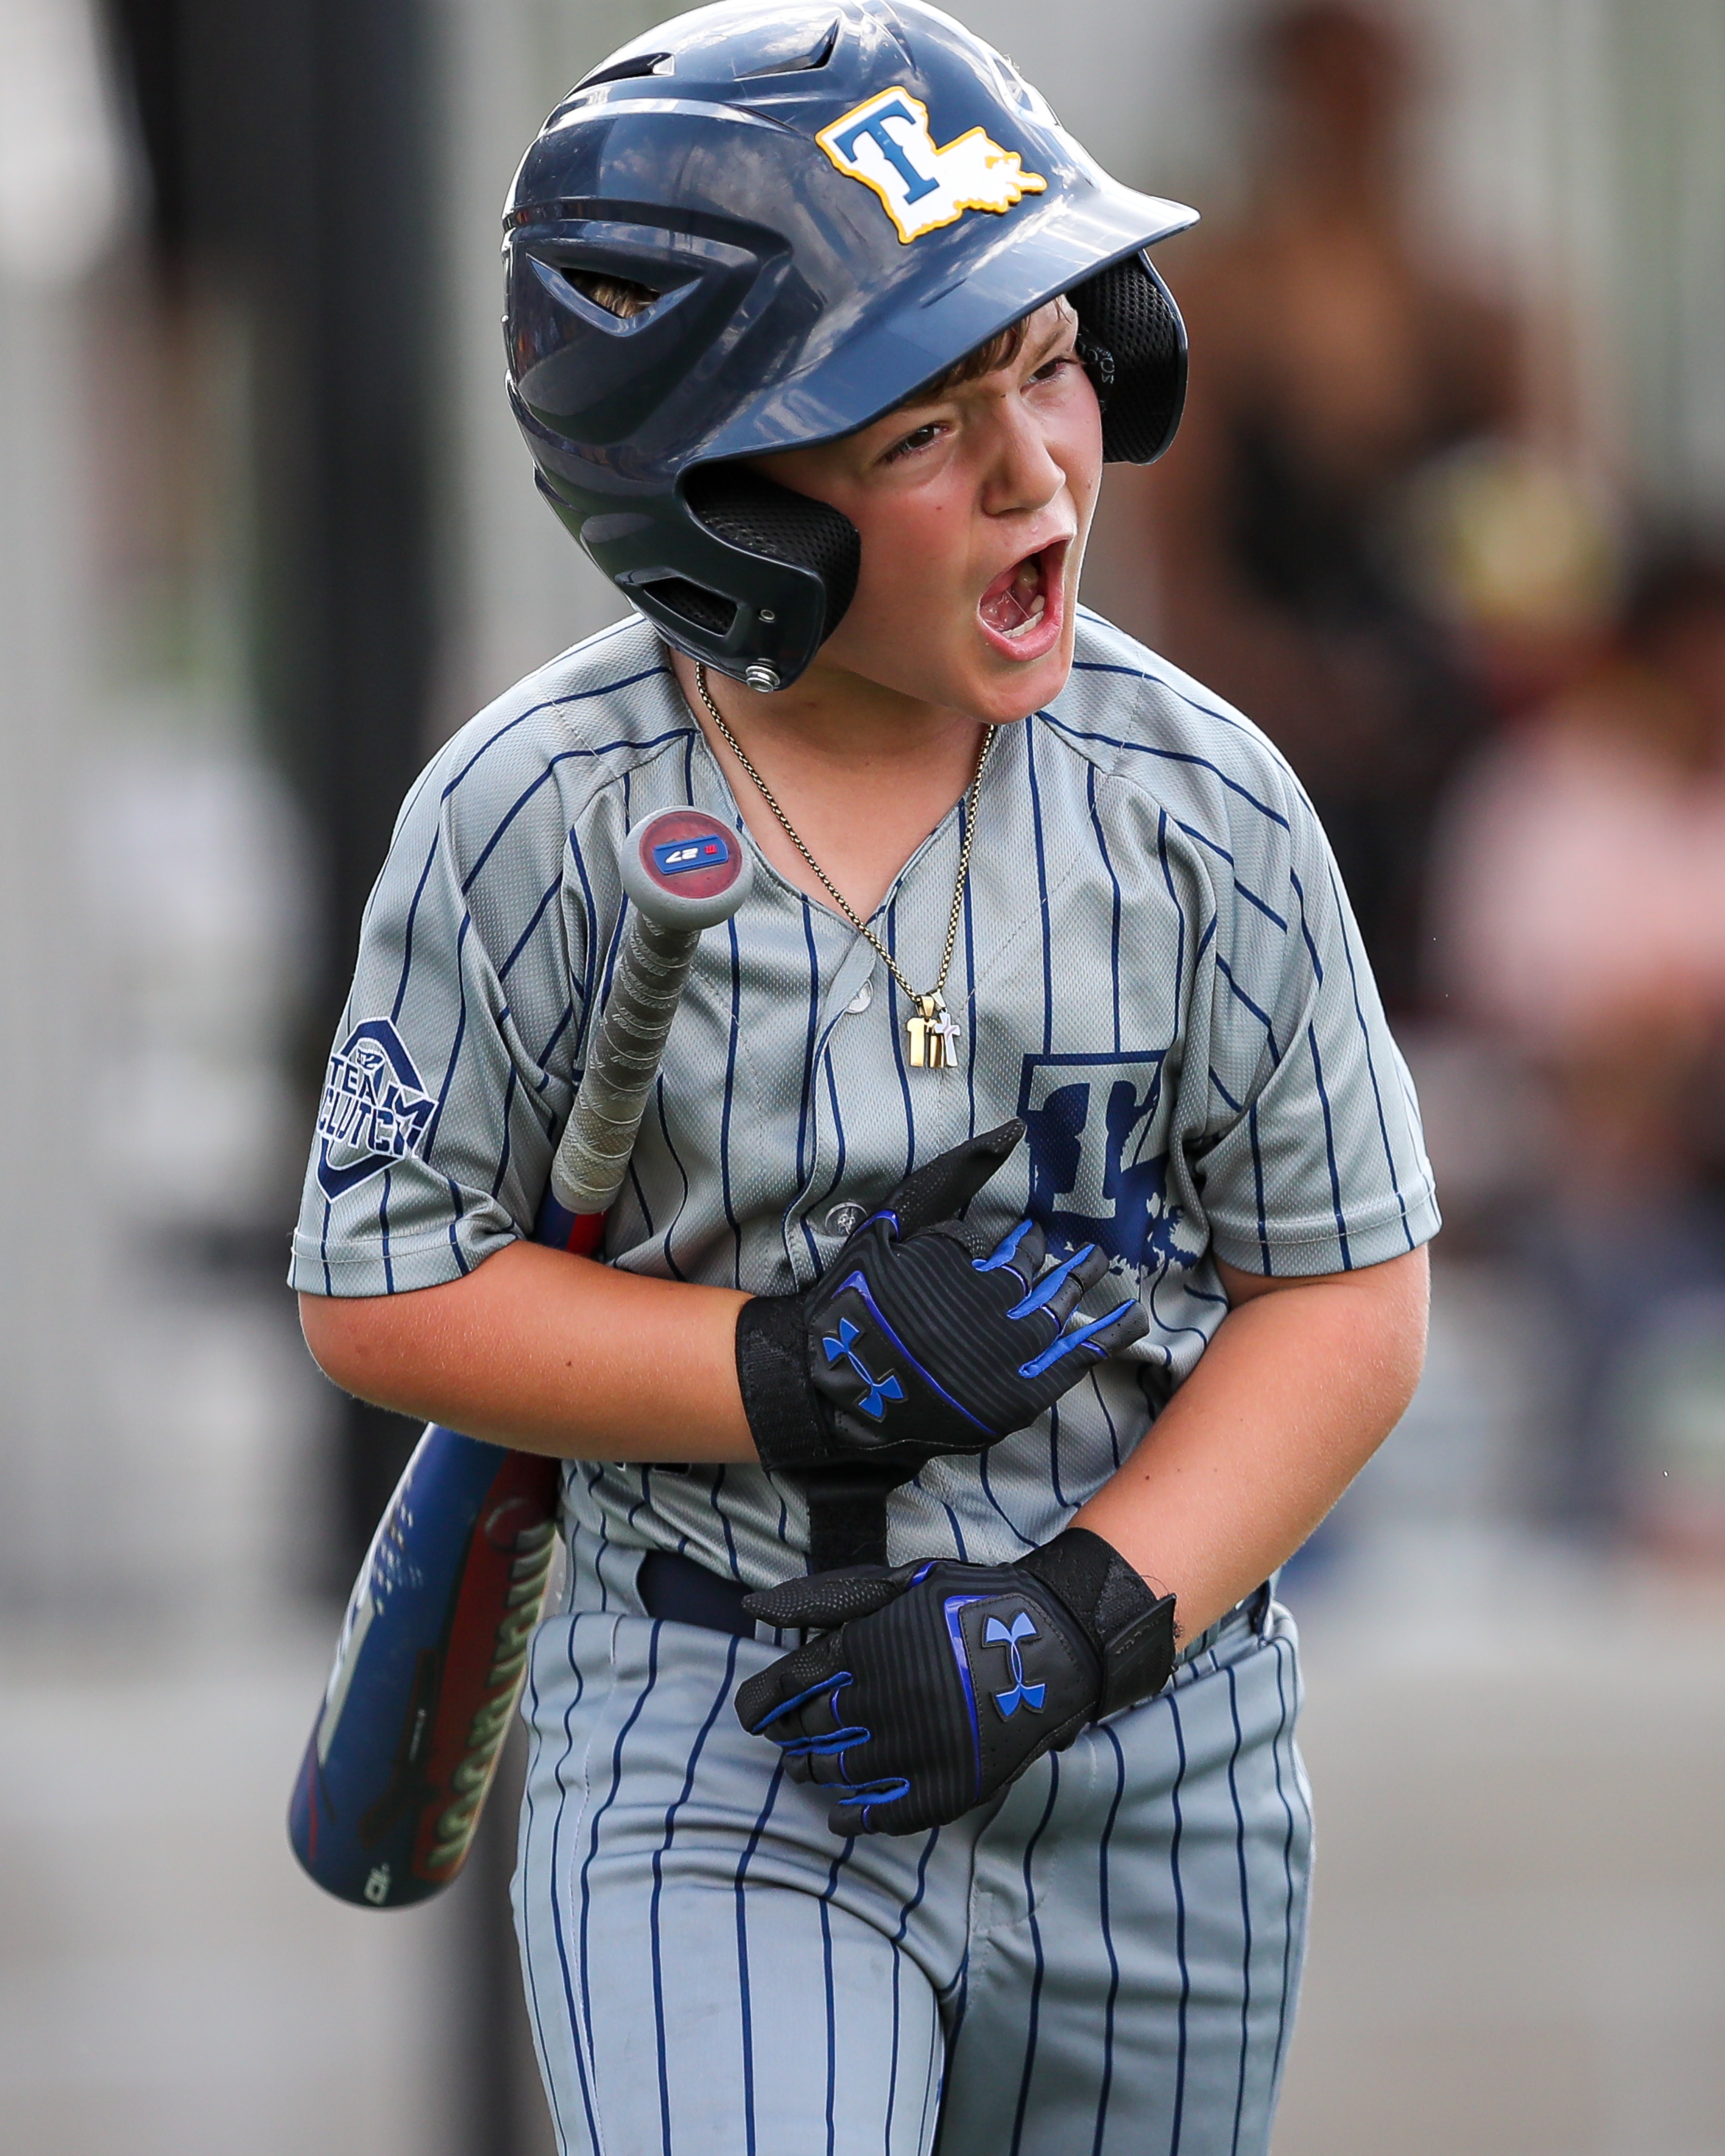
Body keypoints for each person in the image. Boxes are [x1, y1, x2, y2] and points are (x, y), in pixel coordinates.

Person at [291, 6, 1435, 2151]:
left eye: (1052, 364)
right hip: (718, 1741)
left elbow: (1350, 1297)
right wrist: (784, 1372)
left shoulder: (1204, 804)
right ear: (724, 507)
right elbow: (384, 1288)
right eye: (921, 428)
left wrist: (1077, 1622)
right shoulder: (536, 814)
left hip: (1151, 1756)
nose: (1034, 472)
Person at [1129, 0, 1519, 1011]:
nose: (1352, 119)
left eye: (1371, 93)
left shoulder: (1477, 311)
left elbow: (1543, 551)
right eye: (1331, 93)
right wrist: (1292, 699)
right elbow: (1182, 571)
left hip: (1452, 728)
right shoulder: (1213, 304)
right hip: (1274, 723)